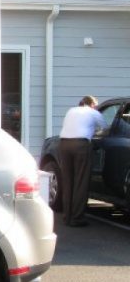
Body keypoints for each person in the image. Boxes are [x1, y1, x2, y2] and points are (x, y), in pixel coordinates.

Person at [58, 96, 107, 227]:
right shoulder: (93, 112)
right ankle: (76, 218)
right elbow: (106, 128)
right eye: (95, 105)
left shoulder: (71, 110)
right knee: (81, 181)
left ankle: (66, 216)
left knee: (68, 181)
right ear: (91, 104)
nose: (96, 107)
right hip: (80, 145)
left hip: (63, 144)